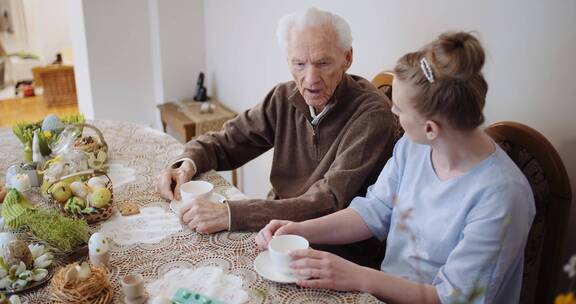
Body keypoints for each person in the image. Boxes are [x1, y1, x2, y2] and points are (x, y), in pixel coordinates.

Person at [256, 32, 535, 304]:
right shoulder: (414, 148)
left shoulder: (502, 197)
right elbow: (374, 211)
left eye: (399, 109)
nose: (392, 112)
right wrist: (301, 230)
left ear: (430, 128)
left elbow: (453, 298)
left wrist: (355, 276)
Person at [157, 8, 394, 252]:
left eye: (323, 63)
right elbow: (228, 141)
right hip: (275, 232)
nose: (310, 78)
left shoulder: (371, 114)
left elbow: (329, 201)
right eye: (299, 64)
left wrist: (230, 213)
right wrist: (185, 164)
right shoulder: (283, 97)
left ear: (347, 57)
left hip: (334, 249)